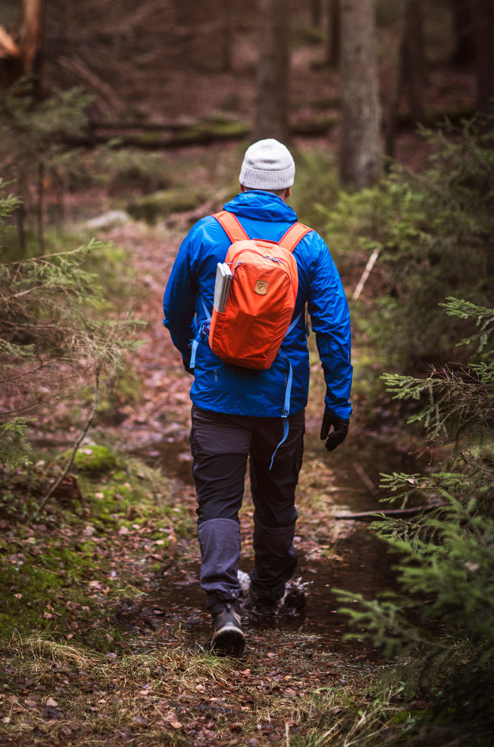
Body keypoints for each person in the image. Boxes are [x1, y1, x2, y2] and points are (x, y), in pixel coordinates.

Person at [163, 138, 352, 656]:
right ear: (288, 186)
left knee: (219, 504)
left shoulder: (207, 232)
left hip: (217, 398)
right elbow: (333, 328)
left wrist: (192, 355)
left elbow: (174, 309)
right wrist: (339, 403)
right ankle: (267, 597)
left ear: (243, 181)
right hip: (281, 407)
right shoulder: (308, 245)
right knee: (276, 502)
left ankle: (225, 607)